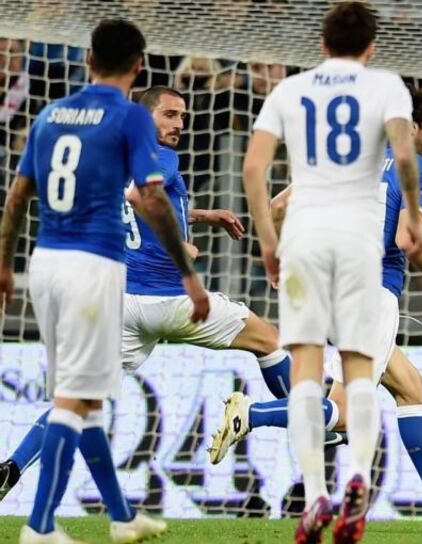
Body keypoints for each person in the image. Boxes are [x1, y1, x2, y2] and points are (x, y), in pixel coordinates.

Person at [0, 85, 292, 502]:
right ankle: (311, 421)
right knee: (269, 341)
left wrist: (200, 215)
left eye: (183, 117)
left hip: (124, 306)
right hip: (173, 302)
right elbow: (142, 198)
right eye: (169, 115)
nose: (178, 125)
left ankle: (11, 467)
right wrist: (178, 242)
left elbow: (124, 200)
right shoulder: (161, 157)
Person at [213, 86, 422, 531]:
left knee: (410, 387)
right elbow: (405, 242)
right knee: (347, 412)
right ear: (410, 127)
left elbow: (276, 208)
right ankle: (252, 414)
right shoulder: (419, 170)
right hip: (370, 294)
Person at [0, 19, 209, 544]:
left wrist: (3, 264)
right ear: (139, 66)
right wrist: (188, 274)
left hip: (44, 265)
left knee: (84, 398)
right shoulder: (129, 118)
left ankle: (121, 516)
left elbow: (18, 197)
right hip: (94, 268)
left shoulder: (51, 114)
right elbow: (152, 197)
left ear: (89, 61)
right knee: (76, 397)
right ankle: (40, 524)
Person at [242, 2, 422, 544]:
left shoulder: (290, 91)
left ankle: (317, 493)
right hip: (357, 245)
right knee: (359, 372)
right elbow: (405, 156)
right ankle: (358, 482)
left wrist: (269, 242)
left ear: (322, 43)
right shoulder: (388, 88)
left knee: (305, 371)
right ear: (370, 47)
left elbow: (254, 169)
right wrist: (413, 213)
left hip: (302, 242)